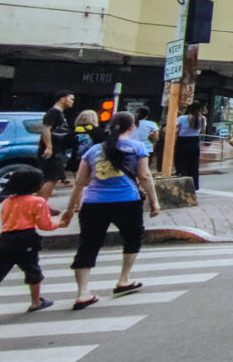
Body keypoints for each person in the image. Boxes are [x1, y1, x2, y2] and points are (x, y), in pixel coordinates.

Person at [60, 112, 160, 310]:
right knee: (132, 238)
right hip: (127, 201)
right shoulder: (137, 147)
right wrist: (154, 202)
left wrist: (70, 209)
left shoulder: (93, 150)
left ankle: (82, 294)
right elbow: (145, 176)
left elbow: (80, 181)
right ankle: (124, 279)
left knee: (88, 245)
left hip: (93, 203)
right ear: (132, 127)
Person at [0, 166, 61, 312]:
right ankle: (36, 302)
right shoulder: (38, 201)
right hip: (26, 238)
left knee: (0, 270)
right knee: (32, 269)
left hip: (5, 239)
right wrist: (59, 223)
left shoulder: (8, 201)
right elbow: (45, 225)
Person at [37, 90, 75, 199]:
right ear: (62, 99)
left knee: (51, 177)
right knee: (52, 177)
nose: (72, 101)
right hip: (53, 150)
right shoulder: (53, 112)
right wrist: (49, 147)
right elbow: (46, 129)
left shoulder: (60, 113)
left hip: (58, 149)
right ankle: (42, 203)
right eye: (71, 99)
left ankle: (41, 203)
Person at [175, 102, 206, 190]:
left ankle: (182, 185)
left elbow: (175, 127)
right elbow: (203, 131)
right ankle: (194, 186)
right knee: (194, 165)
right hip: (195, 142)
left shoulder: (182, 118)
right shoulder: (202, 118)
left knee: (181, 164)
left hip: (182, 141)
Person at [67, 110, 107, 175]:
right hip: (93, 160)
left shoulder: (74, 132)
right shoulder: (98, 132)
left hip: (76, 161)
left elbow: (68, 145)